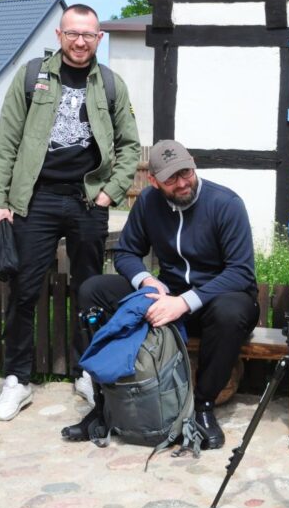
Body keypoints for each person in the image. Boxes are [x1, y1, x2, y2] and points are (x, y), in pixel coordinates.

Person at [0, 3, 140, 422]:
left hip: (88, 200)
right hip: (36, 199)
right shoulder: (32, 76)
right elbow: (6, 142)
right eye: (72, 33)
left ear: (99, 38)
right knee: (24, 289)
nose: (80, 41)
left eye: (88, 35)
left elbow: (129, 146)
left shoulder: (111, 84)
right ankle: (17, 379)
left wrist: (110, 192)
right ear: (59, 35)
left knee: (89, 291)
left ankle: (87, 371)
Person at [65, 140, 259, 449]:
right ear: (153, 180)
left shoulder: (226, 203)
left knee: (230, 311)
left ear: (193, 163)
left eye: (186, 173)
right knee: (93, 290)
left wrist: (184, 302)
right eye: (171, 178)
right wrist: (145, 281)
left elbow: (241, 272)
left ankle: (203, 408)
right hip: (168, 294)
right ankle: (104, 404)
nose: (182, 183)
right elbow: (126, 252)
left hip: (218, 298)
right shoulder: (148, 202)